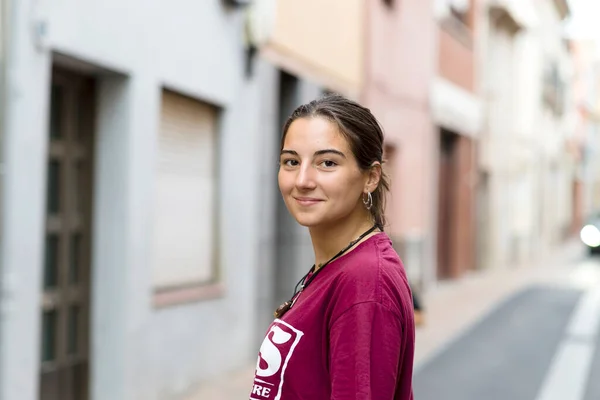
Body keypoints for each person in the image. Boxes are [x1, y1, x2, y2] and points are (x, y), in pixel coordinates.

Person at [249, 94, 415, 400]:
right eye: (291, 161)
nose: (302, 180)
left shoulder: (365, 283)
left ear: (371, 177)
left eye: (327, 163)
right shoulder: (339, 266)